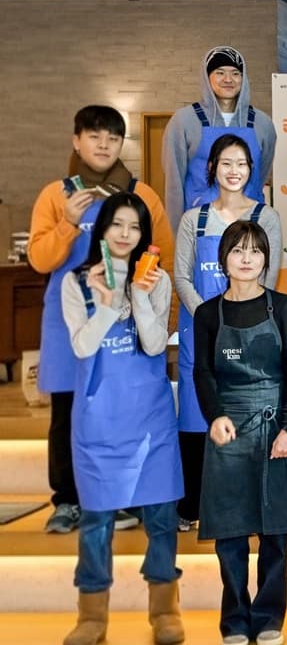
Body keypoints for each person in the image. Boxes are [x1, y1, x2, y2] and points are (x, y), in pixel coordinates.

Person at [30, 105, 171, 535]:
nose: (104, 145)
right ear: (77, 141)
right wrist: (69, 224)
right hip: (69, 319)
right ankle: (68, 500)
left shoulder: (143, 195)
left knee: (124, 411)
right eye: (94, 136)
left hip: (127, 325)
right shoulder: (55, 196)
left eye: (112, 137)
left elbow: (160, 257)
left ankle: (124, 497)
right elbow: (40, 260)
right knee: (68, 412)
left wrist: (158, 322)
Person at [59, 191, 183, 645]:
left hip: (149, 419)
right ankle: (91, 616)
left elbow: (154, 344)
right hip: (99, 419)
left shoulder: (156, 279)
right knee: (96, 521)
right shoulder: (77, 281)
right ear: (102, 229)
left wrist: (139, 296)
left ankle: (164, 610)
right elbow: (82, 346)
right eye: (117, 225)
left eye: (134, 227)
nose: (125, 234)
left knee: (162, 518)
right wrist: (109, 304)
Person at [193, 220, 287, 645]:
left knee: (276, 529)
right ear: (223, 259)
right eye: (238, 250)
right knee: (230, 530)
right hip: (229, 427)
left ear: (265, 260)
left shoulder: (284, 307)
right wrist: (215, 415)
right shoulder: (208, 313)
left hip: (277, 423)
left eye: (255, 251)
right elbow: (203, 372)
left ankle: (269, 616)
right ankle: (235, 618)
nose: (246, 258)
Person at [172, 133, 282, 532]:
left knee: (245, 410)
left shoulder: (265, 217)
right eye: (226, 163)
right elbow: (181, 276)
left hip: (249, 330)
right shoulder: (194, 219)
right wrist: (208, 317)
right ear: (212, 168)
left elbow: (268, 276)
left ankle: (245, 505)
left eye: (242, 164)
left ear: (252, 170)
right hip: (199, 328)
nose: (234, 171)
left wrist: (236, 318)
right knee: (195, 413)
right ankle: (192, 504)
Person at [161, 46, 277, 226]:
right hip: (199, 225)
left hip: (249, 226)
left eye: (236, 73)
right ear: (207, 77)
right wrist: (175, 232)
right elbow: (174, 184)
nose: (228, 79)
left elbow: (260, 175)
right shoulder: (184, 121)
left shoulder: (262, 123)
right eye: (220, 72)